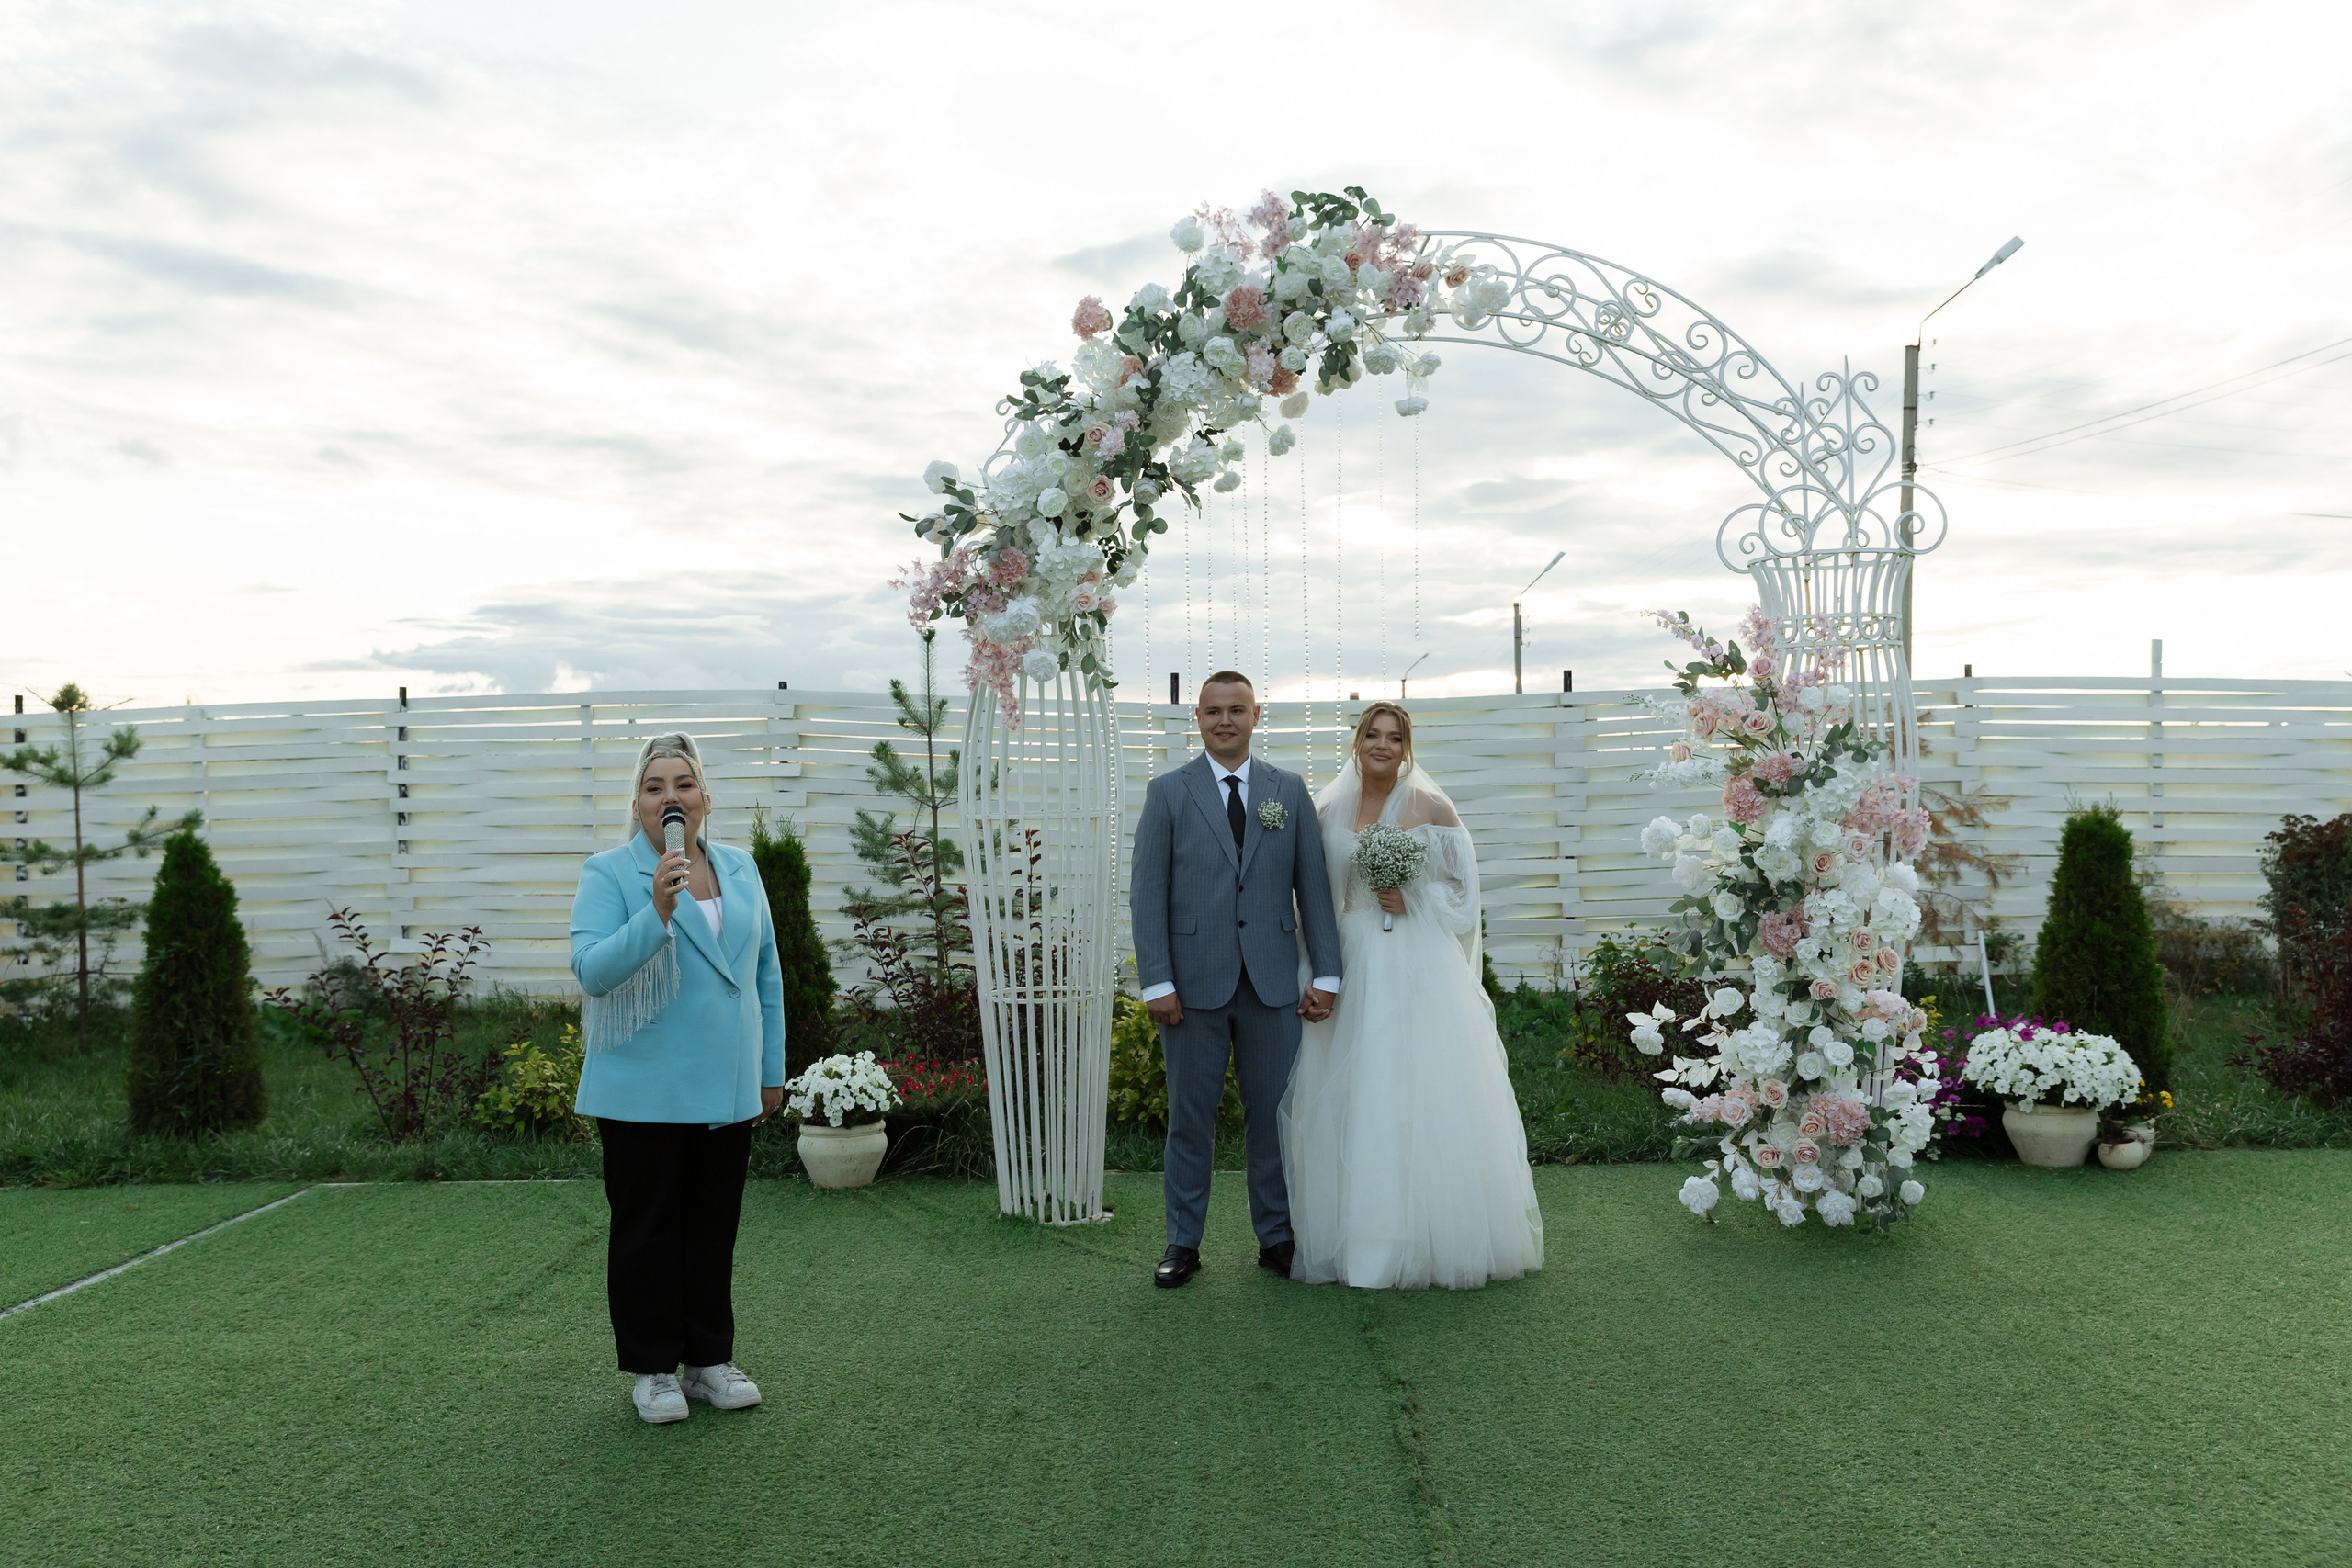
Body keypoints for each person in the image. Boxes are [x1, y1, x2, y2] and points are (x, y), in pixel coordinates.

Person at [1279, 702, 1545, 1289]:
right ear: (1356, 741)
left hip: (1415, 962)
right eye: (1372, 735)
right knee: (1355, 1089)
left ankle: (1431, 1238)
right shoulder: (1325, 808)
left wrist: (1414, 898)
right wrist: (1310, 969)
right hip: (1351, 957)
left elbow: (1465, 895)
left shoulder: (1431, 806)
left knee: (1419, 1088)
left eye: (1394, 738)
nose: (1382, 745)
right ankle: (1362, 1241)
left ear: (1406, 748)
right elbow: (1309, 897)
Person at [571, 733, 786, 1424]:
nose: (671, 796)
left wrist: (769, 1068)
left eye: (684, 783)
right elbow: (592, 969)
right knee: (648, 1228)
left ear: (705, 799)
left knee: (712, 1223)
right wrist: (656, 913)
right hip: (642, 1090)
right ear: (637, 804)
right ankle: (654, 1370)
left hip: (726, 1084)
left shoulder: (743, 869)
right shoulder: (609, 874)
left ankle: (709, 1361)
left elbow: (765, 974)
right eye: (656, 786)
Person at [1129, 671, 1344, 1288]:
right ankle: (1182, 1241)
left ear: (1256, 716)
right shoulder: (1168, 792)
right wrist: (1156, 981)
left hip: (1273, 982)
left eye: (1237, 709)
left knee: (1274, 1116)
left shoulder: (1288, 790)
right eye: (1214, 710)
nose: (1226, 720)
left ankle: (1276, 1236)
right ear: (1196, 717)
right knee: (1189, 1118)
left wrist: (1326, 970)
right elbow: (1148, 894)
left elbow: (1314, 888)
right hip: (1192, 987)